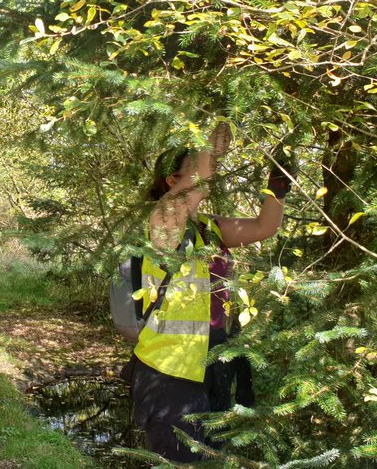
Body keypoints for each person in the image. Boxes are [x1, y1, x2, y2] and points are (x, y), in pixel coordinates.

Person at [123, 125, 293, 462]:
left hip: (215, 363)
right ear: (173, 180)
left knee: (211, 457)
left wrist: (278, 187)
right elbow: (191, 191)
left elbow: (264, 227)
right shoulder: (160, 223)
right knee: (178, 459)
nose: (210, 173)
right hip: (170, 370)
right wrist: (208, 150)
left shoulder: (210, 229)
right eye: (197, 167)